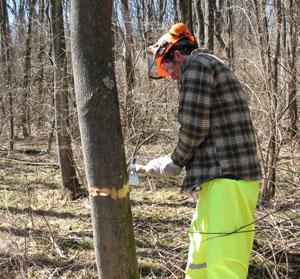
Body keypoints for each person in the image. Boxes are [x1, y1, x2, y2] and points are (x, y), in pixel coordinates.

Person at [145, 23, 262, 279]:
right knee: (200, 260)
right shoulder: (205, 66)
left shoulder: (197, 65)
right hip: (217, 180)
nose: (168, 74)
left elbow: (195, 126)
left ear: (177, 53)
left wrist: (174, 161)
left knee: (224, 267)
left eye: (167, 65)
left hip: (229, 180)